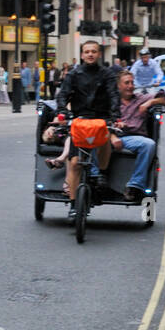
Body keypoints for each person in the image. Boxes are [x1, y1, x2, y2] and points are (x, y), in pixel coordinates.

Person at [56, 40, 119, 220]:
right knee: (75, 163)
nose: (90, 54)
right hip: (80, 120)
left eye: (94, 51)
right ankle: (74, 205)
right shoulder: (74, 74)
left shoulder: (107, 74)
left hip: (101, 118)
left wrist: (114, 115)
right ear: (82, 55)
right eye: (87, 51)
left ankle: (102, 173)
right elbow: (63, 94)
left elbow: (113, 95)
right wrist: (62, 111)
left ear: (99, 54)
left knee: (105, 136)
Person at [109, 68, 165, 199]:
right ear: (118, 85)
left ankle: (135, 185)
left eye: (132, 83)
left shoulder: (141, 98)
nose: (130, 86)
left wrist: (151, 102)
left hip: (133, 138)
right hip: (110, 137)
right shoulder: (110, 101)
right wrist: (113, 136)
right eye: (126, 83)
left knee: (149, 144)